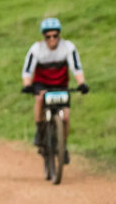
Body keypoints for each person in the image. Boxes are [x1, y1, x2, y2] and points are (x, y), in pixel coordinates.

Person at [21, 17, 89, 151]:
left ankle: (63, 146)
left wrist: (82, 83)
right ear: (44, 37)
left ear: (59, 35)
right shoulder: (36, 49)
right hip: (42, 83)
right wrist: (28, 85)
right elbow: (27, 70)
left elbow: (76, 67)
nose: (52, 39)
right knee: (40, 100)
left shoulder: (68, 47)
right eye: (48, 36)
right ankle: (39, 130)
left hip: (60, 85)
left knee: (65, 117)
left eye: (55, 35)